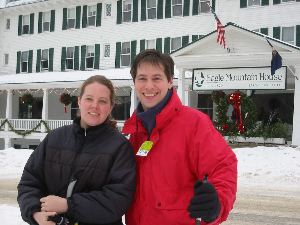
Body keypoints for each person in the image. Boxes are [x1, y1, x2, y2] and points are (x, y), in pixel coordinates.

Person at [122, 49, 237, 225]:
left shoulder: (194, 123)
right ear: (135, 82)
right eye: (142, 78)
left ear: (169, 82)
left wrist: (217, 203)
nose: (149, 86)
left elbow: (222, 166)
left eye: (157, 78)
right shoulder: (135, 132)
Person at [18, 75, 136, 225]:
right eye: (89, 99)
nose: (95, 106)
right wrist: (35, 213)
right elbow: (29, 182)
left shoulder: (120, 147)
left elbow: (117, 199)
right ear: (79, 101)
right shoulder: (55, 138)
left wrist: (68, 205)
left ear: (111, 106)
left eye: (102, 101)